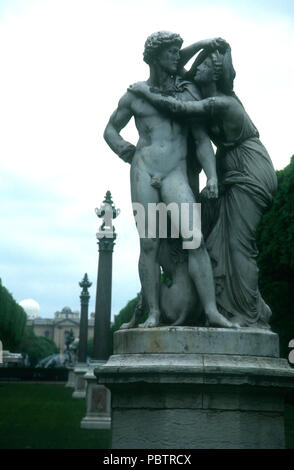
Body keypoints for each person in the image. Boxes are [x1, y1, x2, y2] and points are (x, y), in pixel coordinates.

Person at [129, 42, 277, 328]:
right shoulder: (197, 87)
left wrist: (144, 91)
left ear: (216, 75)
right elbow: (168, 64)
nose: (197, 67)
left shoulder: (221, 101)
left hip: (249, 168)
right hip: (229, 168)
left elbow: (173, 105)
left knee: (237, 243)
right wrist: (204, 44)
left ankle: (248, 313)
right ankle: (236, 306)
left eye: (205, 65)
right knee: (215, 242)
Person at [104, 31, 234, 328]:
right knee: (148, 244)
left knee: (194, 238)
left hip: (175, 173)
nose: (177, 55)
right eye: (171, 51)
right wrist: (125, 150)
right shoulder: (134, 95)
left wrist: (211, 176)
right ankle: (153, 312)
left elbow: (201, 140)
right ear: (155, 56)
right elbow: (110, 129)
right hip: (143, 170)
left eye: (179, 50)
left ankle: (211, 311)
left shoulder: (187, 92)